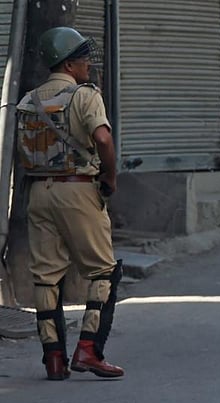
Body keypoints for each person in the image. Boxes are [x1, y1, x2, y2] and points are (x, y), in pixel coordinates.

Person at [17, 27, 124, 380]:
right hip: (78, 190)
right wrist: (109, 176)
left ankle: (54, 359)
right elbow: (103, 138)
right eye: (84, 59)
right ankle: (89, 351)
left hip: (38, 194)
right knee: (103, 271)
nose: (89, 65)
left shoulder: (29, 100)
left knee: (46, 278)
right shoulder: (84, 97)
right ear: (69, 63)